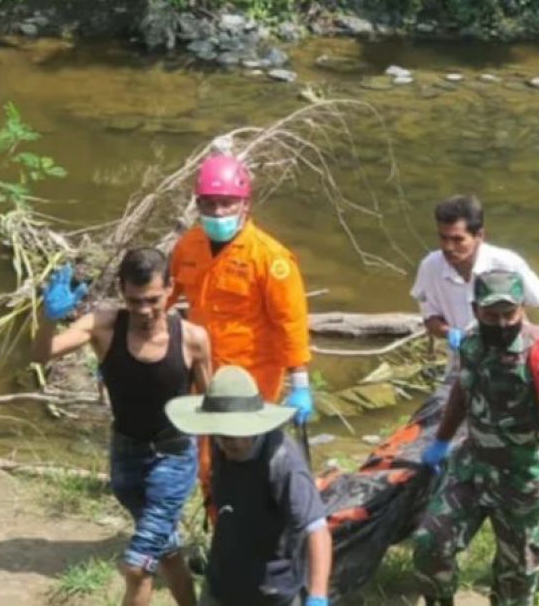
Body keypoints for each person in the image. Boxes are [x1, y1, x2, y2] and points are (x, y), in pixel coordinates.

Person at [36, 248, 211, 606]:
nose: (144, 311)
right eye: (134, 301)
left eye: (153, 300)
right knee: (166, 550)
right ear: (121, 290)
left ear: (170, 289)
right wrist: (47, 318)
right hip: (126, 455)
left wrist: (221, 464)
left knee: (137, 565)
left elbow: (210, 407)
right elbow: (41, 354)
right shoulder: (103, 326)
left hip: (174, 455)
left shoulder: (193, 338)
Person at [413, 269, 539, 606]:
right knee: (431, 543)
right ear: (476, 309)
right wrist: (440, 442)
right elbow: (462, 393)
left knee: (516, 578)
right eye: (493, 315)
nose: (504, 323)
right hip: (473, 466)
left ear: (523, 308)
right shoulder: (471, 342)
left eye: (511, 313)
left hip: (524, 477)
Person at [168, 154, 314, 509]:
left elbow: (290, 321)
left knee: (246, 457)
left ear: (245, 205)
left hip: (253, 376)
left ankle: (257, 535)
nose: (217, 213)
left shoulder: (269, 258)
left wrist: (300, 385)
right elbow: (164, 298)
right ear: (197, 203)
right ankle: (223, 537)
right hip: (204, 372)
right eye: (209, 204)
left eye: (226, 203)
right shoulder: (189, 247)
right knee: (207, 459)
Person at [166, 365, 332, 606]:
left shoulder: (283, 461)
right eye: (219, 436)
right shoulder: (219, 443)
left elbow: (317, 530)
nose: (224, 444)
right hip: (222, 583)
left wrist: (318, 596)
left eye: (231, 437)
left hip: (272, 592)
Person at [410, 194, 539, 363]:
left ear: (479, 235)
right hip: (466, 360)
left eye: (457, 239)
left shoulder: (506, 263)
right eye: (443, 238)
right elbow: (431, 318)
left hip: (515, 357)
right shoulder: (431, 267)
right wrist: (452, 334)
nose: (448, 247)